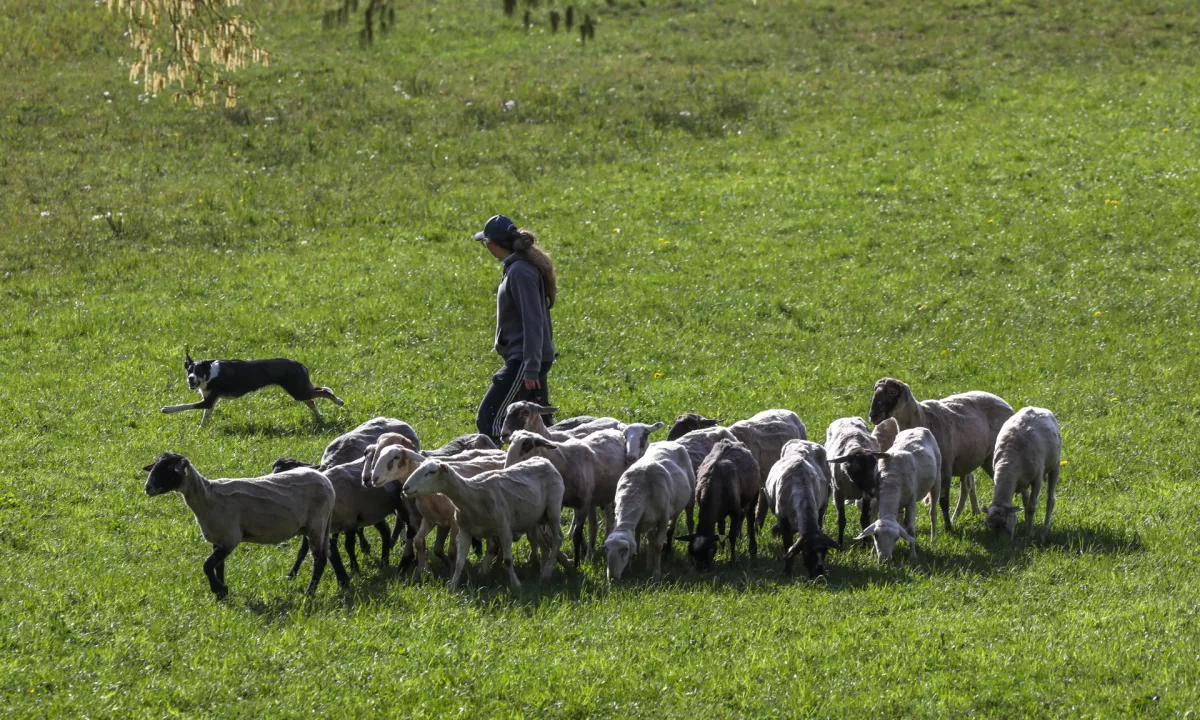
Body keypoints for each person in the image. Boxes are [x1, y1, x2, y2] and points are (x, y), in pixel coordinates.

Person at [472, 214, 557, 442]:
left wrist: (530, 368)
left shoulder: (520, 272)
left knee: (490, 419)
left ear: (491, 245)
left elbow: (533, 322)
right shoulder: (519, 266)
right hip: (529, 358)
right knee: (542, 425)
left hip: (523, 360)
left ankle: (491, 470)